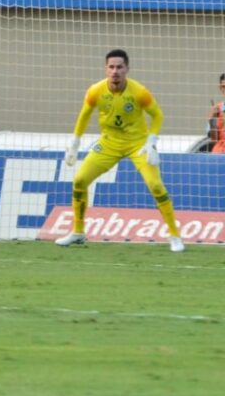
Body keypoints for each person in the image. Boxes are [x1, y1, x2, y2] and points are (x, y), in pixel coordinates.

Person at [59, 49, 184, 252]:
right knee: (80, 180)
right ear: (105, 69)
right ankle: (78, 232)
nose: (115, 71)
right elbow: (84, 115)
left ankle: (175, 236)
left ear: (127, 69)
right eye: (111, 67)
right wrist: (74, 143)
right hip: (109, 143)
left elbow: (158, 115)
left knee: (156, 185)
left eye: (119, 67)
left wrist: (151, 141)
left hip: (138, 144)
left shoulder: (139, 92)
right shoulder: (95, 91)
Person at [208, 73, 225, 154]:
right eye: (224, 86)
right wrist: (213, 120)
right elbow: (214, 140)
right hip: (221, 151)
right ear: (220, 88)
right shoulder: (217, 108)